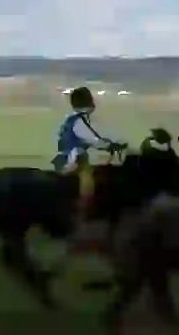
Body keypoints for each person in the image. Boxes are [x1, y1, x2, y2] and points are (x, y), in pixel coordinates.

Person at [52, 87, 127, 229]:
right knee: (88, 185)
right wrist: (112, 146)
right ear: (89, 102)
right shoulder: (80, 121)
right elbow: (93, 139)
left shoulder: (71, 118)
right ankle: (83, 215)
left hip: (64, 158)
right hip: (75, 159)